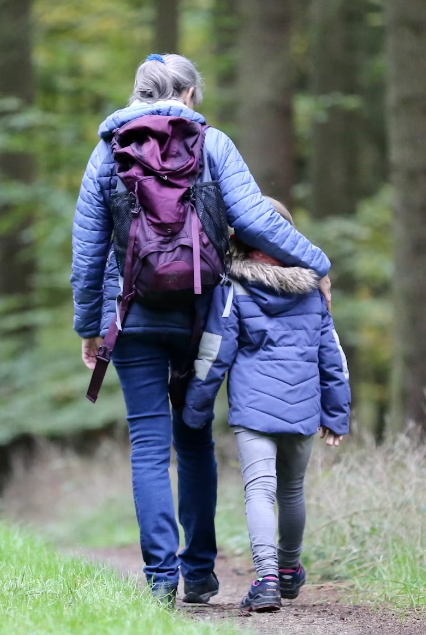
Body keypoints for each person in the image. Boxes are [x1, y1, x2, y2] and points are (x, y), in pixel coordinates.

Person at [71, 53, 332, 606]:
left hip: (133, 315)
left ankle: (161, 580)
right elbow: (258, 219)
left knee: (147, 444)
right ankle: (202, 574)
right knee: (193, 439)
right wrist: (318, 263)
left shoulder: (106, 153)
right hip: (202, 316)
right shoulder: (213, 144)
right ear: (189, 94)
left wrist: (89, 327)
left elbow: (88, 252)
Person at [182, 198, 350, 611]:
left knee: (260, 490)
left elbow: (215, 352)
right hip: (304, 407)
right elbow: (333, 357)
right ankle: (290, 570)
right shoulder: (313, 289)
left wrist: (196, 408)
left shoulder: (233, 287)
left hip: (254, 410)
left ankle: (268, 579)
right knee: (292, 490)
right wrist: (337, 413)